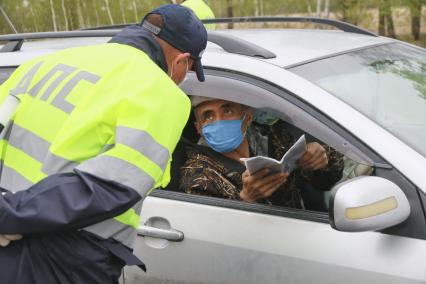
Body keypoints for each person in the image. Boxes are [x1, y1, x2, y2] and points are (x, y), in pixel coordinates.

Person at [0, 4, 207, 284]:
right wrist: (9, 215)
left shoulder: (44, 64)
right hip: (66, 259)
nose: (183, 79)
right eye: (191, 70)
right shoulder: (160, 91)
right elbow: (113, 185)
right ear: (182, 60)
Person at [180, 97, 344, 208]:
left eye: (227, 111)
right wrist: (245, 199)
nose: (219, 121)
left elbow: (325, 183)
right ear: (199, 128)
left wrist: (322, 159)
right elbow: (212, 234)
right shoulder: (196, 176)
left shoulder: (274, 138)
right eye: (208, 116)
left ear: (247, 118)